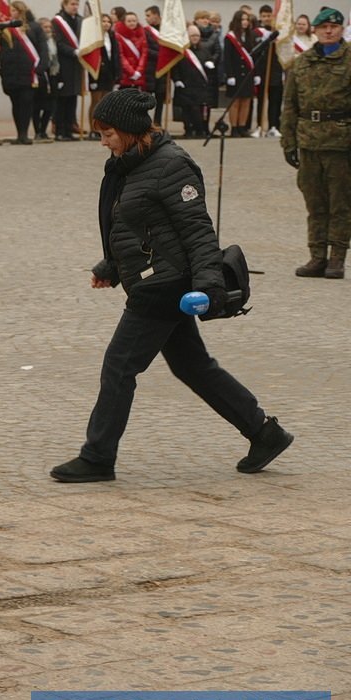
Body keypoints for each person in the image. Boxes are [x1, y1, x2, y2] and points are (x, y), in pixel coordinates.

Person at [51, 89, 294, 483]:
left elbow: (198, 232)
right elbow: (131, 226)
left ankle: (97, 457)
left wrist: (210, 288)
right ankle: (265, 433)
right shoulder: (128, 163)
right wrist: (111, 267)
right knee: (193, 366)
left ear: (130, 131)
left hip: (163, 285)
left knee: (119, 366)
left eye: (108, 133)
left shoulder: (172, 166)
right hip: (154, 278)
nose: (103, 141)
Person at [281, 7, 351, 280]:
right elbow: (290, 105)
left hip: (341, 143)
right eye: (323, 27)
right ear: (315, 30)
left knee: (341, 203)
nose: (329, 30)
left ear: (341, 29)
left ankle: (337, 258)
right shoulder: (302, 62)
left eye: (334, 26)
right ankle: (317, 256)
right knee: (315, 204)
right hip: (309, 141)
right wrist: (288, 143)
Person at [0, 2, 41, 146]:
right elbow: (1, 52)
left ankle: (24, 133)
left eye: (17, 10)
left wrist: (41, 68)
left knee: (26, 103)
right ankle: (19, 134)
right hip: (11, 73)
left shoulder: (33, 27)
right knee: (16, 104)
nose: (14, 12)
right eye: (12, 10)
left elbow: (42, 48)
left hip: (28, 73)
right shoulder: (5, 29)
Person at [170, 24, 209, 138]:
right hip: (185, 84)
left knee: (197, 108)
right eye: (192, 36)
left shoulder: (204, 50)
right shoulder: (181, 51)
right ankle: (188, 129)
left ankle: (199, 130)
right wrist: (176, 79)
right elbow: (174, 66)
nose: (195, 38)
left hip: (199, 85)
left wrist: (210, 64)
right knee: (186, 109)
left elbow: (209, 62)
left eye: (197, 35)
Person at [51, 0, 83, 140]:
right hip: (63, 64)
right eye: (72, 4)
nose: (75, 7)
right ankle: (59, 130)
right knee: (62, 98)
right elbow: (58, 43)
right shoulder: (57, 21)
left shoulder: (80, 20)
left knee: (73, 97)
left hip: (77, 65)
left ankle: (69, 128)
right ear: (64, 5)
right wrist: (73, 51)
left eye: (77, 4)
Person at [223, 9, 257, 136]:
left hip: (248, 73)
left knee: (246, 100)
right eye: (243, 19)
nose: (245, 22)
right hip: (236, 73)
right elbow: (227, 58)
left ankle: (242, 127)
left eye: (247, 20)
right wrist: (230, 75)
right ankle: (235, 128)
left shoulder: (250, 36)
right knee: (235, 101)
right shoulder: (230, 37)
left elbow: (254, 56)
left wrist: (256, 74)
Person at [86, 13, 119, 140]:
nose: (106, 24)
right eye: (103, 21)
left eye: (108, 22)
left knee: (106, 102)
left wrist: (117, 73)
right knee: (96, 101)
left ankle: (103, 128)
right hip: (97, 73)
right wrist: (93, 77)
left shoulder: (112, 36)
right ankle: (93, 129)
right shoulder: (94, 38)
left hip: (109, 73)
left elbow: (115, 55)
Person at [255, 4, 283, 136]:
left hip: (276, 71)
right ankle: (260, 126)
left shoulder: (277, 32)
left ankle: (274, 125)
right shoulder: (256, 33)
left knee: (275, 100)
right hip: (262, 71)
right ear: (260, 17)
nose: (266, 18)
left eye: (269, 16)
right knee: (261, 100)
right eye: (264, 16)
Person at [143, 5, 165, 124]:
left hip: (163, 68)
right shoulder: (146, 31)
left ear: (156, 15)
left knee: (160, 97)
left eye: (148, 15)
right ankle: (145, 122)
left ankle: (158, 123)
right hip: (150, 68)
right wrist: (161, 56)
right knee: (147, 97)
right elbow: (145, 49)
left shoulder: (166, 29)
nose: (146, 18)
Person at [114, 11, 147, 91]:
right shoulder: (118, 36)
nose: (132, 23)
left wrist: (139, 71)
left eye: (134, 21)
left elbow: (144, 54)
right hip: (125, 74)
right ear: (124, 22)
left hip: (139, 74)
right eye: (129, 21)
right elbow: (121, 56)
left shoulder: (142, 35)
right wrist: (131, 72)